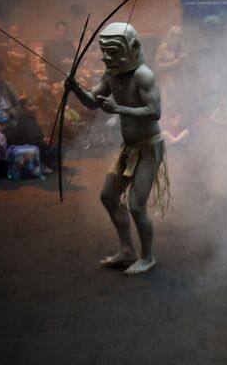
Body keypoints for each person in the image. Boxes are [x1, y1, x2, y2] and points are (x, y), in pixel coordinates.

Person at [65, 22, 170, 275]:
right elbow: (92, 102)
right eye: (106, 52)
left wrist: (118, 109)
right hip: (129, 147)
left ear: (131, 48)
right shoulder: (111, 75)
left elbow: (154, 113)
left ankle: (147, 257)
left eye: (113, 52)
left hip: (149, 147)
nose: (107, 58)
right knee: (108, 196)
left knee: (136, 205)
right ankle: (127, 250)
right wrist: (76, 88)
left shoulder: (143, 75)